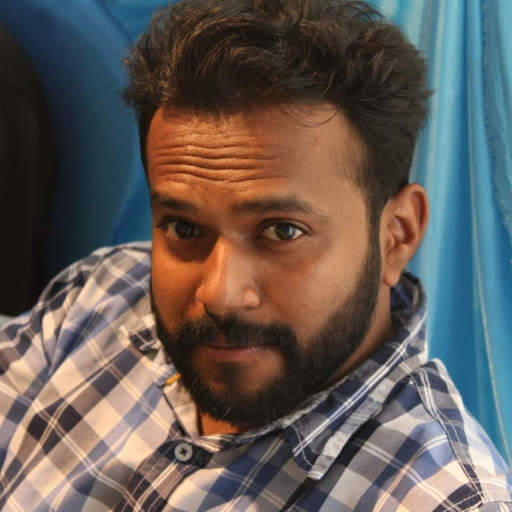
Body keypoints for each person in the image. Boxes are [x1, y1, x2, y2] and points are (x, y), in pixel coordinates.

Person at [0, 0, 511, 510]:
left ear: (397, 235)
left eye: (282, 231)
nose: (220, 294)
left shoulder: (443, 500)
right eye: (183, 228)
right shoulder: (104, 294)